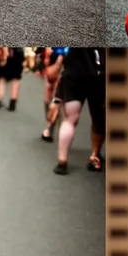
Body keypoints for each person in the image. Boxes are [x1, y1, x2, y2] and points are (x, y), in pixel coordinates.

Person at [53, 43, 104, 175]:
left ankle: (62, 161)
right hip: (100, 74)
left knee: (70, 119)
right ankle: (95, 156)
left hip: (74, 72)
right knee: (99, 118)